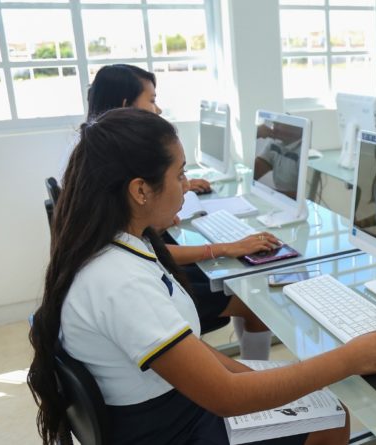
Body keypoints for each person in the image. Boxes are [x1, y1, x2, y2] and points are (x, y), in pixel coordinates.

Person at [27, 108, 376, 445]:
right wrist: (348, 359)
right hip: (171, 429)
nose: (186, 186)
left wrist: (248, 371)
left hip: (160, 412)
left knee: (310, 394)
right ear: (141, 190)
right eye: (180, 174)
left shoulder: (112, 247)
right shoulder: (120, 281)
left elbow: (185, 348)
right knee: (333, 415)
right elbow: (227, 397)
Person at [86, 64, 276, 360]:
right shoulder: (127, 283)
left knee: (234, 282)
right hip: (161, 301)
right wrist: (223, 247)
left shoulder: (94, 159)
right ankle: (256, 362)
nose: (158, 109)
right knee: (250, 297)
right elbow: (223, 384)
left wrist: (157, 214)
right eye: (151, 100)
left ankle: (253, 365)